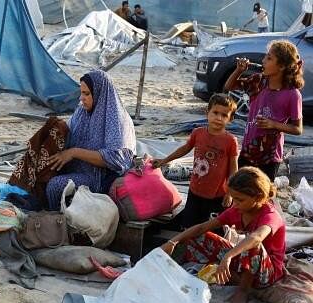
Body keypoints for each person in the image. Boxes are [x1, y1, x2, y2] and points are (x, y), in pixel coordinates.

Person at [161, 167, 286, 303]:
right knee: (199, 236)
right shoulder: (237, 211)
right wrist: (172, 242)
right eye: (234, 199)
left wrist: (228, 256)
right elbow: (202, 227)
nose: (235, 204)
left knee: (252, 244)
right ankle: (232, 276)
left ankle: (243, 290)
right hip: (243, 262)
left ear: (258, 197)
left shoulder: (270, 215)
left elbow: (257, 237)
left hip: (266, 273)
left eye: (240, 200)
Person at [45, 70, 136, 210]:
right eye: (81, 93)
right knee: (42, 176)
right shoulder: (82, 112)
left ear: (99, 92)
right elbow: (68, 133)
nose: (82, 98)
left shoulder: (116, 119)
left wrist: (74, 152)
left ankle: (59, 225)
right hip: (77, 169)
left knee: (55, 186)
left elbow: (115, 159)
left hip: (99, 179)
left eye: (86, 94)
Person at [153, 94, 238, 230]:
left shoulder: (230, 141)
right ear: (207, 112)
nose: (218, 118)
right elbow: (184, 149)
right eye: (215, 113)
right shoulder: (198, 133)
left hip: (217, 195)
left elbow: (234, 168)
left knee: (212, 229)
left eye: (224, 115)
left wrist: (230, 192)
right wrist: (164, 160)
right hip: (195, 190)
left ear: (230, 119)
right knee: (189, 225)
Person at [224, 40, 304, 181]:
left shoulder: (292, 94)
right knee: (241, 189)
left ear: (282, 66)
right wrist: (239, 70)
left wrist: (274, 125)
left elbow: (298, 129)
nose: (263, 61)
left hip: (270, 157)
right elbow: (229, 86)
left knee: (261, 195)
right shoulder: (258, 81)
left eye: (269, 58)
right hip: (248, 150)